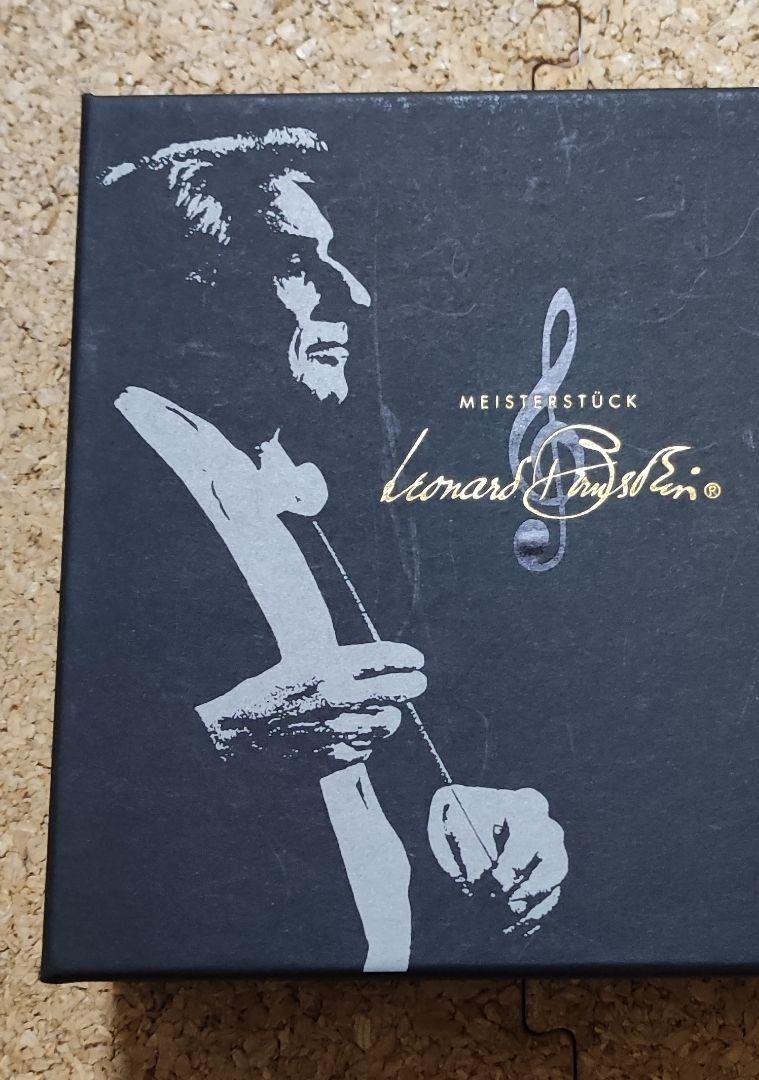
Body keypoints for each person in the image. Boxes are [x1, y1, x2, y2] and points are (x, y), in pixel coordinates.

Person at [101, 127, 568, 972]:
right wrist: (223, 740)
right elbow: (65, 800)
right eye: (298, 262)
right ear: (187, 289)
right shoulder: (107, 492)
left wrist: (454, 815)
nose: (352, 294)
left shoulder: (303, 490)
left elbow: (339, 768)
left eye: (337, 261)